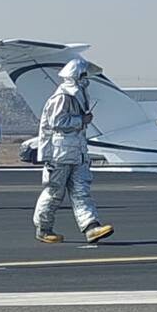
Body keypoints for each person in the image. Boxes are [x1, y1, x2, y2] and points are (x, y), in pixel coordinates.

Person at [33, 58, 113, 244]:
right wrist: (81, 120)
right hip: (60, 154)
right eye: (84, 76)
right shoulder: (63, 96)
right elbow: (56, 122)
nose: (87, 80)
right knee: (54, 192)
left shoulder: (79, 95)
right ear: (77, 76)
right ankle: (43, 228)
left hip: (77, 152)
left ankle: (91, 227)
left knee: (81, 191)